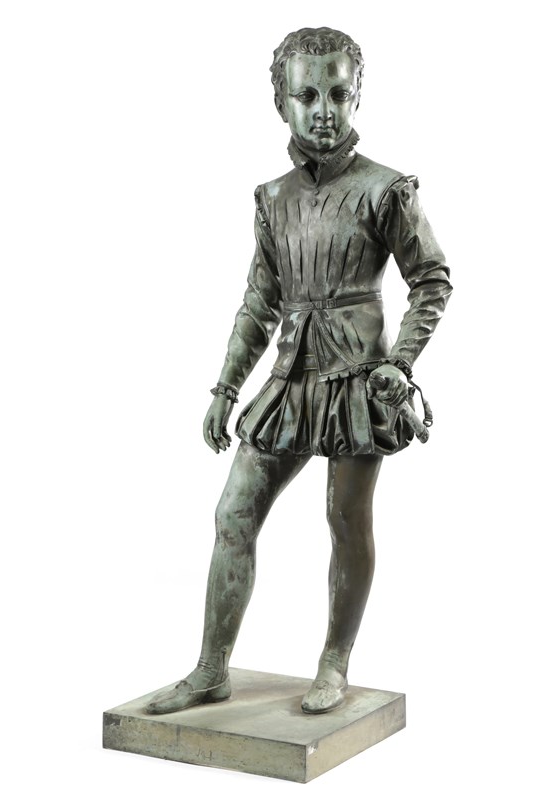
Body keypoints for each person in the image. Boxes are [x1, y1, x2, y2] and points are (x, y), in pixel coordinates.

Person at [145, 27, 452, 715]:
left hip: (359, 382)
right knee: (233, 512)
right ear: (280, 101)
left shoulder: (386, 189)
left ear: (357, 95)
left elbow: (431, 278)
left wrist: (401, 363)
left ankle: (334, 663)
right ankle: (210, 669)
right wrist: (226, 388)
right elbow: (260, 301)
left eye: (338, 94)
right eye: (307, 95)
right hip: (288, 382)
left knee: (344, 519)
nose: (323, 110)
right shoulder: (273, 198)